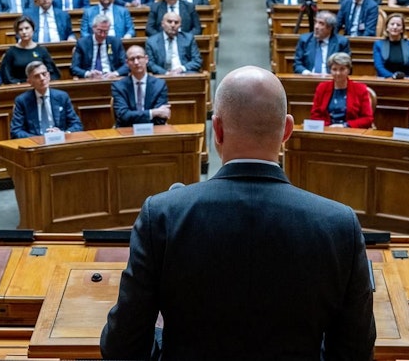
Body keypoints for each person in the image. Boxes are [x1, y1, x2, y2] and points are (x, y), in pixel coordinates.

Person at [101, 65, 376, 360]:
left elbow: (122, 346)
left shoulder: (163, 214)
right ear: (287, 130)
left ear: (216, 129)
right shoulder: (339, 224)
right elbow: (355, 350)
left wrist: (163, 341)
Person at [10, 61, 83, 138]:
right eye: (37, 76)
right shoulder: (22, 101)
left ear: (49, 76)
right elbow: (16, 131)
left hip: (59, 142)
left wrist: (63, 134)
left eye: (44, 74)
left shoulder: (62, 97)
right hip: (36, 145)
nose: (42, 78)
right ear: (29, 81)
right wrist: (39, 139)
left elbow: (77, 125)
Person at [309, 51, 374, 128]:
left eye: (342, 69)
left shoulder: (360, 89)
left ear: (349, 70)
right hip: (327, 131)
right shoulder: (322, 87)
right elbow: (314, 115)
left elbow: (368, 119)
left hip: (351, 132)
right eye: (334, 69)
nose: (338, 73)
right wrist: (328, 127)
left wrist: (345, 125)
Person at [112, 45, 171, 126]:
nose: (136, 62)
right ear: (127, 63)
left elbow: (160, 119)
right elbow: (123, 116)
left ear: (146, 59)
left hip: (153, 131)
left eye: (139, 57)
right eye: (132, 59)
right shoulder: (118, 86)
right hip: (127, 132)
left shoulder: (160, 85)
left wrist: (134, 117)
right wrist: (153, 113)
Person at [0, 15, 61, 83]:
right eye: (20, 29)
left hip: (40, 85)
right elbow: (6, 75)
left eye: (27, 28)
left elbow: (53, 73)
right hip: (19, 87)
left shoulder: (41, 50)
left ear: (33, 29)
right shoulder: (11, 52)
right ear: (17, 33)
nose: (24, 32)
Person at [71, 15, 129, 79]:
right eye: (100, 31)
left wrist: (115, 73)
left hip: (111, 79)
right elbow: (74, 68)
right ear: (93, 28)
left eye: (106, 31)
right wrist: (88, 74)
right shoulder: (82, 43)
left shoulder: (116, 42)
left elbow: (127, 65)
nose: (102, 35)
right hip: (89, 80)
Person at [373, 13, 409, 79]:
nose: (395, 27)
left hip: (406, 82)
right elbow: (379, 67)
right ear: (387, 28)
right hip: (386, 81)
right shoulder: (379, 44)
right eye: (392, 24)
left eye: (398, 25)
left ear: (402, 29)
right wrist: (393, 77)